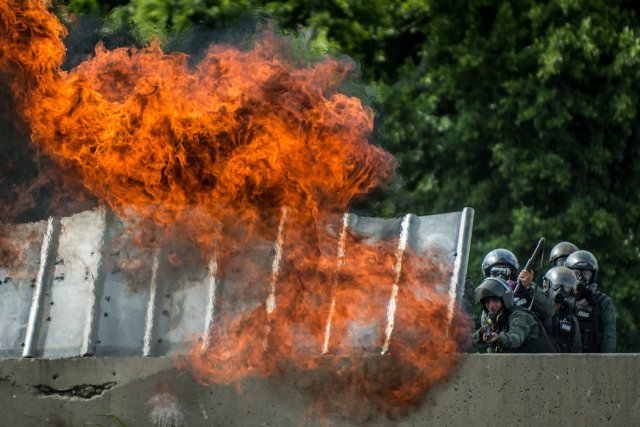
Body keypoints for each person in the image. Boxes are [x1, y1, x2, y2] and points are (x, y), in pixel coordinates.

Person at [471, 277, 557, 353]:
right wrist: (479, 334)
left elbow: (516, 338)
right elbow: (471, 340)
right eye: (487, 301)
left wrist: (499, 338)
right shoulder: (496, 322)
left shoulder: (521, 315)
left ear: (505, 299)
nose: (491, 305)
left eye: (495, 300)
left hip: (545, 367)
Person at [481, 248, 553, 331]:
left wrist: (529, 288)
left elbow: (549, 310)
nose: (500, 277)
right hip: (505, 341)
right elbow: (485, 326)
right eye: (495, 272)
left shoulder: (525, 287)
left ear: (513, 274)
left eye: (505, 272)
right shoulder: (488, 301)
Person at [565, 250, 616, 353]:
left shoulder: (602, 302)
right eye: (576, 273)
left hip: (592, 362)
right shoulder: (561, 299)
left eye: (585, 274)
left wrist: (606, 364)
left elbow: (609, 337)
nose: (580, 278)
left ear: (592, 276)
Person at [544, 266, 582, 352]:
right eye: (556, 285)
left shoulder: (571, 320)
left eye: (566, 287)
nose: (560, 290)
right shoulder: (538, 313)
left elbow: (577, 350)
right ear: (547, 285)